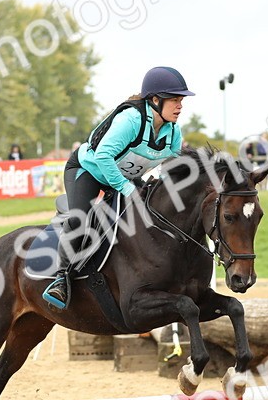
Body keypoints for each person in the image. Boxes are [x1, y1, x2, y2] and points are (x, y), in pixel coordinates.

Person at [42, 66, 194, 309]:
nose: (180, 106)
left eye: (181, 100)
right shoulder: (130, 121)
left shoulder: (172, 132)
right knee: (80, 220)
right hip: (88, 170)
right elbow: (103, 157)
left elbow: (172, 166)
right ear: (155, 100)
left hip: (125, 176)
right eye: (175, 99)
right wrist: (125, 188)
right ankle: (61, 278)